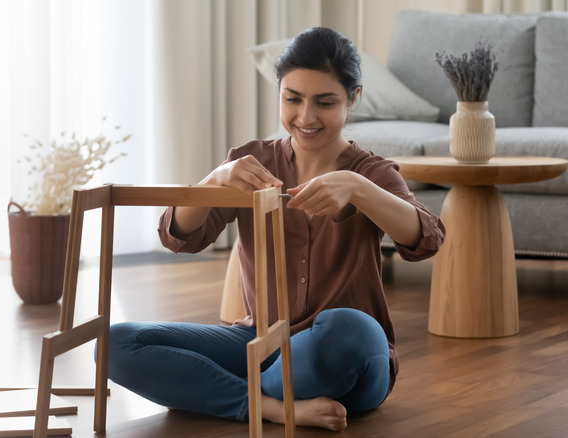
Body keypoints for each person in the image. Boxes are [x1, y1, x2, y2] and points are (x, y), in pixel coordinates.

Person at [103, 26, 445, 432]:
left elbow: (425, 239)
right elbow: (177, 235)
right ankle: (268, 406)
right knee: (115, 342)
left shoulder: (370, 173)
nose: (306, 117)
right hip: (258, 343)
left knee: (349, 329)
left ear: (353, 98)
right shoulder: (252, 160)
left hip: (343, 355)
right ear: (279, 93)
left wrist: (357, 189)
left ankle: (216, 391)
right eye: (292, 99)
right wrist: (215, 180)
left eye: (325, 102)